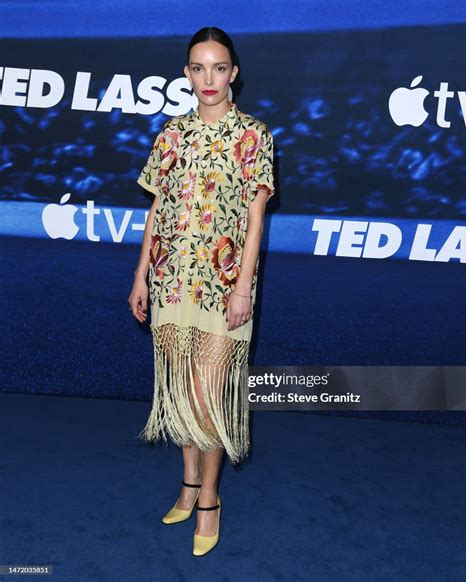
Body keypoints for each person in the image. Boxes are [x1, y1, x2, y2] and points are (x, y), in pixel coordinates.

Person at [128, 26, 274, 556]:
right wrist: (141, 273)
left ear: (233, 72)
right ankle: (188, 485)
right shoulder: (171, 133)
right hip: (170, 282)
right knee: (181, 392)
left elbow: (256, 223)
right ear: (187, 73)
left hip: (222, 287)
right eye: (197, 67)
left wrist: (242, 289)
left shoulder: (253, 135)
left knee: (210, 398)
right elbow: (156, 211)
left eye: (218, 67)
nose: (207, 78)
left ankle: (209, 499)